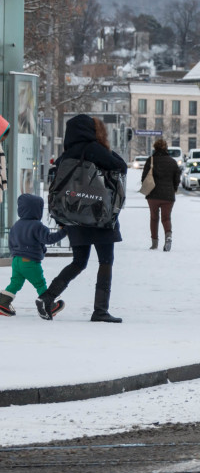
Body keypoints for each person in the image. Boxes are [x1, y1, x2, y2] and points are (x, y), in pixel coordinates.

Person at [38, 115, 129, 323]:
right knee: (106, 261)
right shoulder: (93, 149)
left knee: (79, 262)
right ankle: (100, 310)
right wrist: (105, 148)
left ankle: (48, 297)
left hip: (74, 216)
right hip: (99, 216)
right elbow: (120, 166)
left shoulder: (66, 155)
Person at [1, 194, 68, 317]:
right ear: (37, 210)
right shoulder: (37, 226)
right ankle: (49, 305)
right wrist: (64, 231)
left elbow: (11, 244)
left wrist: (18, 254)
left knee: (15, 283)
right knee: (40, 283)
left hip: (16, 261)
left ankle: (3, 302)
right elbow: (48, 239)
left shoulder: (16, 226)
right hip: (29, 261)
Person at [142, 138, 181, 251]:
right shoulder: (172, 162)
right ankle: (168, 236)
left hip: (153, 194)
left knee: (154, 218)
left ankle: (154, 243)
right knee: (166, 218)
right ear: (166, 148)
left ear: (155, 148)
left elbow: (144, 177)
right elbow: (177, 179)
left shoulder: (151, 160)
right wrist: (173, 189)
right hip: (168, 196)